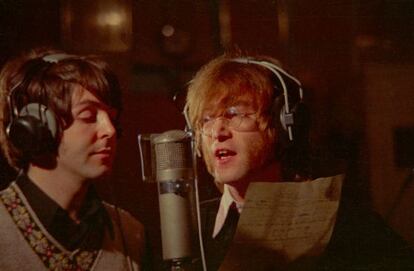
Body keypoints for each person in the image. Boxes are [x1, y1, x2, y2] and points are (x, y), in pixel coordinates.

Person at [185, 53, 414, 270]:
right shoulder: (187, 228)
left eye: (235, 114)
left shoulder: (339, 219)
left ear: (283, 124)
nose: (217, 131)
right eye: (206, 120)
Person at [0, 48, 148, 270]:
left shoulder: (130, 232)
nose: (109, 130)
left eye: (112, 118)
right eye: (88, 116)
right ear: (38, 127)